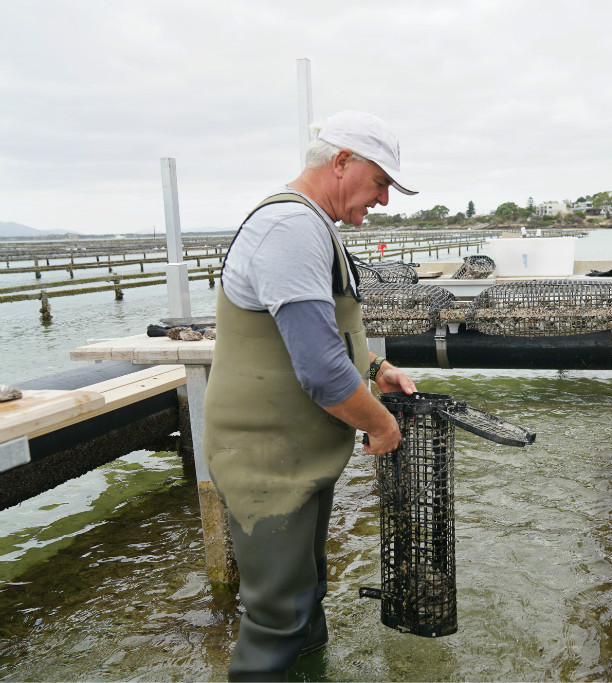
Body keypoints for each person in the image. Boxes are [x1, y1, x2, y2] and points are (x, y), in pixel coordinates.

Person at [203, 110, 419, 680]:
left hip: (297, 457)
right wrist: (381, 425)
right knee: (278, 617)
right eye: (380, 183)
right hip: (266, 464)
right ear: (342, 162)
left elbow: (322, 337)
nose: (384, 201)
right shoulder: (290, 228)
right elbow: (322, 372)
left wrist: (375, 369)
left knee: (306, 599)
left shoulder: (311, 226)